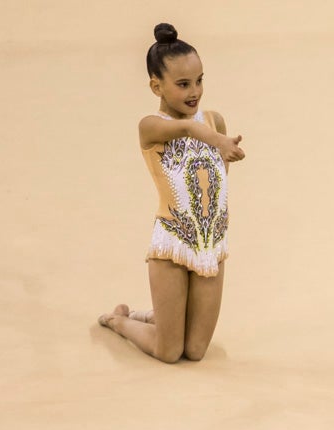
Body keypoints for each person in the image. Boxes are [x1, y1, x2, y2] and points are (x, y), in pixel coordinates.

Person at [98, 23, 245, 362]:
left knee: (194, 352)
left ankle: (157, 316)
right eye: (182, 84)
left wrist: (219, 142)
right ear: (156, 86)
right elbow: (185, 127)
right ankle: (120, 320)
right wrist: (216, 140)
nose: (194, 91)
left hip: (210, 245)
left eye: (199, 80)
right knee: (169, 352)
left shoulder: (214, 121)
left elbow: (218, 181)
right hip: (172, 244)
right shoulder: (151, 127)